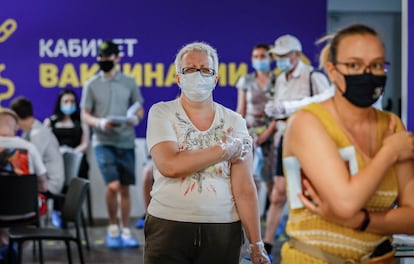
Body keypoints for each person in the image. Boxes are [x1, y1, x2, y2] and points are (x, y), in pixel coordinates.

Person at [281, 24, 414, 263]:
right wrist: (390, 152)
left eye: (376, 65)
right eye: (354, 65)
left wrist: (361, 221)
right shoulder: (307, 122)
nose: (367, 73)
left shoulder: (392, 125)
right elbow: (345, 203)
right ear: (332, 70)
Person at [144, 41, 269, 264]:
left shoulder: (234, 121)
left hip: (222, 229)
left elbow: (244, 189)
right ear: (178, 78)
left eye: (205, 70)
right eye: (189, 69)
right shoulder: (162, 112)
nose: (197, 75)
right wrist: (223, 151)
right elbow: (170, 166)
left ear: (215, 78)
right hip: (168, 225)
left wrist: (256, 244)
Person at [262, 34, 332, 256]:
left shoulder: (313, 77)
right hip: (286, 140)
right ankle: (266, 247)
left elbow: (327, 108)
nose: (279, 59)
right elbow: (281, 112)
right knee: (278, 193)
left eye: (283, 55)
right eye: (277, 56)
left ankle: (311, 244)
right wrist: (276, 117)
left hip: (310, 141)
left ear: (296, 55)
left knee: (309, 193)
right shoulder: (280, 79)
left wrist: (291, 111)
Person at [80, 40, 144, 249]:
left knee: (125, 188)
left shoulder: (129, 82)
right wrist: (99, 122)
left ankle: (125, 229)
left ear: (117, 58)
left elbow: (139, 107)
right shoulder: (91, 85)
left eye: (107, 57)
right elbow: (85, 114)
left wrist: (135, 118)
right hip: (103, 141)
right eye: (100, 57)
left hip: (125, 140)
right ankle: (111, 226)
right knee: (113, 185)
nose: (103, 60)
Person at [0, 108, 47, 255]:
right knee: (42, 202)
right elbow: (43, 184)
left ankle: (3, 244)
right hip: (25, 212)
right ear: (16, 127)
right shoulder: (30, 147)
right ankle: (17, 247)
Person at [235, 43, 277, 204]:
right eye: (255, 56)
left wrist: (266, 134)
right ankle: (252, 222)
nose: (259, 59)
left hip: (272, 135)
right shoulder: (246, 80)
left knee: (272, 181)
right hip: (250, 135)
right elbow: (241, 110)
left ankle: (276, 224)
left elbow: (280, 112)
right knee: (251, 181)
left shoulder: (278, 81)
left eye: (262, 56)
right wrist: (243, 134)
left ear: (270, 58)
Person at [44, 88, 91, 227]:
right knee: (57, 172)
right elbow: (46, 144)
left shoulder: (81, 122)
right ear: (60, 103)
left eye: (72, 101)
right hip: (57, 161)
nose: (69, 104)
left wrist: (72, 152)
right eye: (66, 101)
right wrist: (59, 151)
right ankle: (57, 212)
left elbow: (85, 144)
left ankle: (70, 211)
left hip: (77, 160)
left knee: (77, 168)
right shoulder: (50, 122)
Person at [10, 97, 65, 198]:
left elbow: (32, 164)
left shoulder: (38, 134)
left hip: (50, 185)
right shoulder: (27, 133)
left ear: (16, 117)